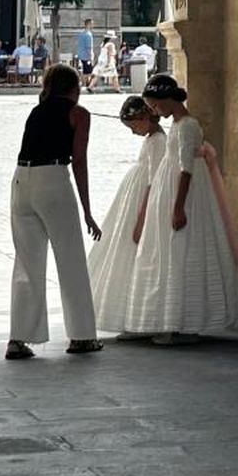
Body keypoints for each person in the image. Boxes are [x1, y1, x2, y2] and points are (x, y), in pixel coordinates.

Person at [126, 73, 238, 344]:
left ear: (168, 100)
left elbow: (187, 169)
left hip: (184, 195)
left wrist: (179, 207)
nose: (155, 111)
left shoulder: (188, 126)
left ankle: (184, 322)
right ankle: (173, 321)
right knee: (171, 253)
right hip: (170, 191)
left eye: (156, 105)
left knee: (183, 251)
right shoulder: (178, 125)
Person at [7, 63, 103, 360]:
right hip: (53, 180)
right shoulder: (79, 113)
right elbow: (80, 162)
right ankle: (82, 335)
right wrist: (87, 210)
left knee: (27, 263)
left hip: (21, 180)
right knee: (70, 259)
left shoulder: (37, 110)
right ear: (75, 86)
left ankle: (18, 338)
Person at [88, 96, 168, 335]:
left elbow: (154, 182)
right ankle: (130, 317)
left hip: (140, 202)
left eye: (134, 126)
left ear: (144, 118)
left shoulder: (158, 142)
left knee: (134, 254)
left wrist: (142, 218)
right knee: (126, 253)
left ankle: (138, 317)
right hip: (132, 201)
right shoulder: (152, 140)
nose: (134, 133)